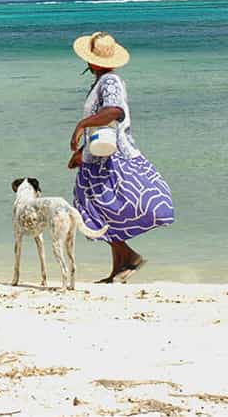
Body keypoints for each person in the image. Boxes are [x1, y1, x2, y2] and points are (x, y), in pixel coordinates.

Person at [68, 32, 175, 283]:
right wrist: (81, 155)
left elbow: (114, 112)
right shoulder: (102, 82)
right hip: (97, 157)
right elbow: (103, 126)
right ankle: (122, 263)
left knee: (104, 207)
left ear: (92, 60)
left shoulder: (110, 81)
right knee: (98, 209)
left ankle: (127, 258)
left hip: (113, 159)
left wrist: (81, 124)